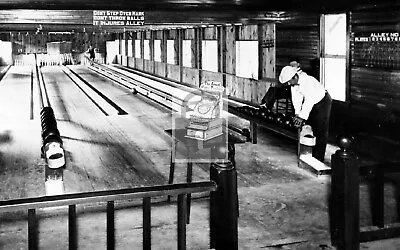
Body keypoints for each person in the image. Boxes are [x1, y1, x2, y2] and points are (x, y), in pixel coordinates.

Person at [278, 65, 332, 162]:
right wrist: (297, 114)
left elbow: (309, 100)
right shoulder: (294, 84)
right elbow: (296, 99)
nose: (289, 84)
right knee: (311, 128)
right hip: (313, 103)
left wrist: (302, 117)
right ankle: (310, 154)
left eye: (289, 81)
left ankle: (318, 159)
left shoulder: (307, 81)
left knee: (320, 130)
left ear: (295, 76)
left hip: (323, 101)